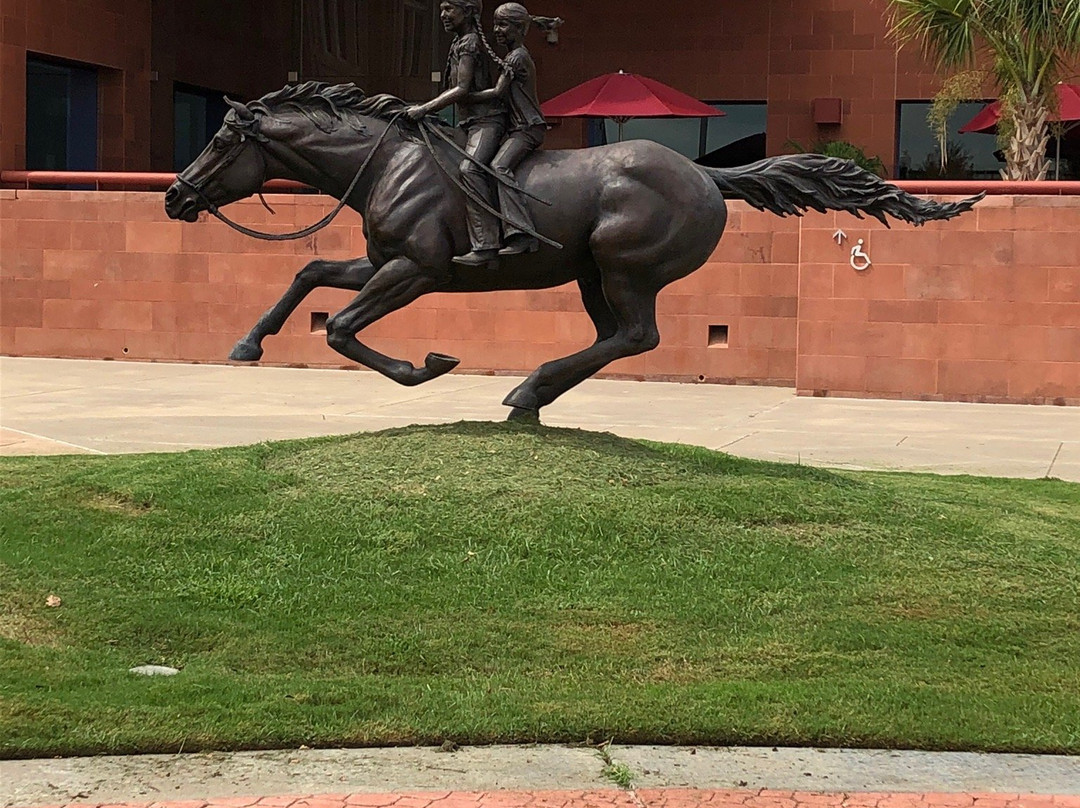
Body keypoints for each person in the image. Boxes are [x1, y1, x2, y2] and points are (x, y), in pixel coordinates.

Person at [405, 0, 507, 266]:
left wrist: (424, 108)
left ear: (469, 12)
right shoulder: (459, 42)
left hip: (487, 122)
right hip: (468, 124)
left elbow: (462, 89)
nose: (443, 15)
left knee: (470, 170)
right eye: (441, 9)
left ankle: (487, 245)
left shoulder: (471, 42)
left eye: (449, 9)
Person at [467, 2, 547, 256]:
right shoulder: (512, 56)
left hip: (527, 128)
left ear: (519, 28)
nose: (497, 30)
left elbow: (497, 92)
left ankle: (521, 232)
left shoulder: (516, 57)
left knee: (498, 167)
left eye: (503, 25)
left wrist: (464, 95)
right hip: (516, 128)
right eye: (495, 24)